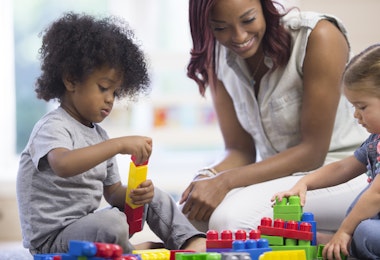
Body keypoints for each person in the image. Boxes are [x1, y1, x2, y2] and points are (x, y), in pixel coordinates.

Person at [16, 12, 206, 255]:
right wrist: (118, 145)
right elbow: (63, 164)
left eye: (115, 93)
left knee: (153, 195)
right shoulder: (52, 126)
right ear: (71, 80)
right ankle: (129, 252)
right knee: (112, 224)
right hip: (52, 241)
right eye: (103, 88)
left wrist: (138, 194)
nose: (109, 99)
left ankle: (189, 241)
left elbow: (113, 192)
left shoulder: (99, 136)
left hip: (88, 228)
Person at [179, 0, 368, 234]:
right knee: (191, 217)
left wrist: (225, 181)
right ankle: (322, 236)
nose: (238, 36)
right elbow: (239, 150)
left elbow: (312, 153)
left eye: (248, 20)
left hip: (344, 173)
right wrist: (207, 177)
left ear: (264, 7)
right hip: (280, 180)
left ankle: (339, 240)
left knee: (229, 222)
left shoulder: (317, 35)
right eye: (220, 28)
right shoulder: (217, 55)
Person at [273, 43, 380, 260]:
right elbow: (343, 167)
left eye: (362, 107)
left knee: (366, 230)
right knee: (361, 212)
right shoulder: (375, 140)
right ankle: (345, 244)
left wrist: (345, 231)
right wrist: (304, 184)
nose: (356, 116)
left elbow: (377, 196)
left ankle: (347, 244)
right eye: (353, 108)